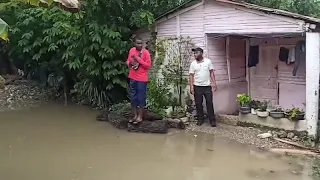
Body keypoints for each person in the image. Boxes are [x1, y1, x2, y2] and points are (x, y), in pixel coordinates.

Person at [189, 47, 217, 127]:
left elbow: (211, 72)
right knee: (198, 104)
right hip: (197, 86)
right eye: (194, 53)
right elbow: (191, 75)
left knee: (209, 103)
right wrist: (191, 87)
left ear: (201, 53)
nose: (195, 54)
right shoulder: (193, 64)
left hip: (207, 86)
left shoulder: (208, 61)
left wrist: (214, 83)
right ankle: (200, 119)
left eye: (196, 53)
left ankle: (212, 120)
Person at [126, 37, 152, 125]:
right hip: (133, 77)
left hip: (142, 79)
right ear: (135, 44)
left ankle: (140, 117)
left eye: (141, 43)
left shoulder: (145, 52)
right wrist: (131, 63)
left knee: (141, 97)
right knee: (133, 97)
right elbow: (128, 61)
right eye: (138, 43)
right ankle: (135, 116)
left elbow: (148, 66)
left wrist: (139, 60)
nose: (140, 45)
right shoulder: (131, 50)